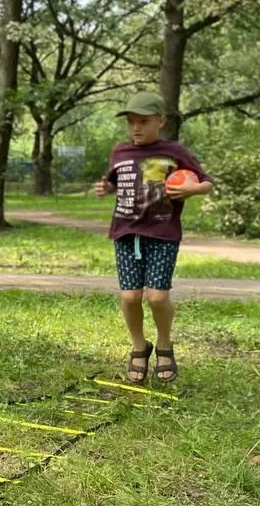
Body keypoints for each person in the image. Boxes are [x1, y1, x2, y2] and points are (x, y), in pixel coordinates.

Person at [93, 92, 212, 384]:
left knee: (157, 297)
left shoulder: (175, 151)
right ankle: (138, 346)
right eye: (132, 122)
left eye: (143, 122)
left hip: (163, 233)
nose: (136, 128)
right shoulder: (120, 152)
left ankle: (164, 345)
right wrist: (105, 188)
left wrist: (192, 190)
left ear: (160, 121)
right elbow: (114, 181)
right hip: (125, 232)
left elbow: (206, 182)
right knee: (130, 296)